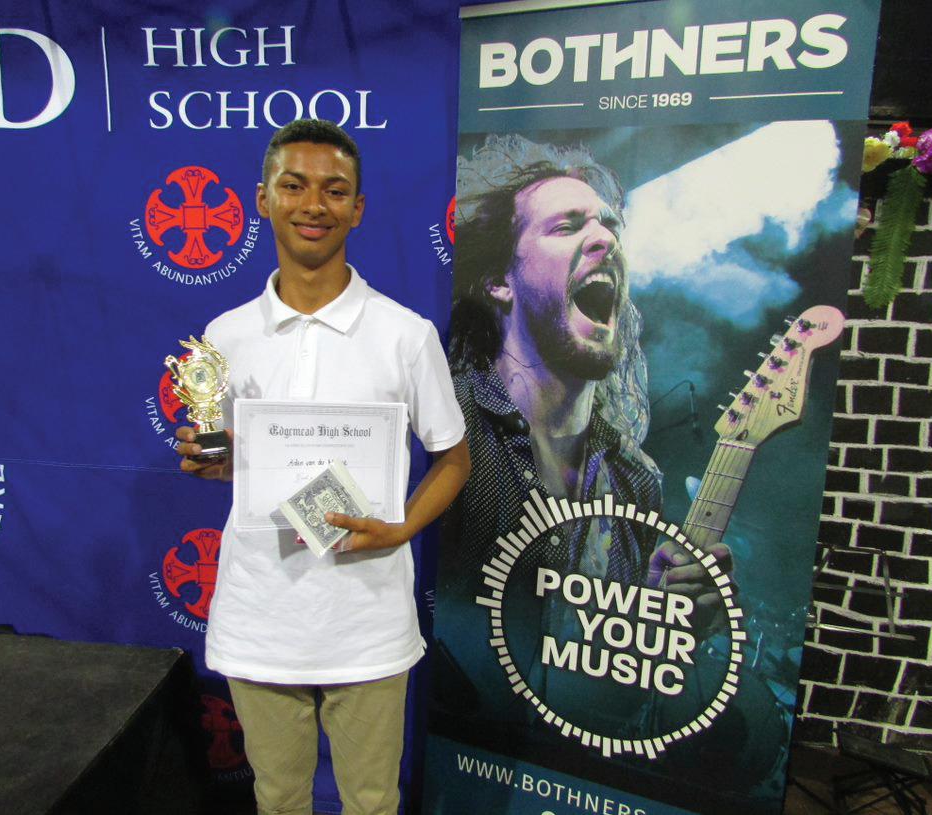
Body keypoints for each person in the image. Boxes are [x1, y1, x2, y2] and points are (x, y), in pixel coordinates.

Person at [176, 119, 470, 815]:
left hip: (366, 622)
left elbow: (454, 459)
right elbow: (234, 460)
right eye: (294, 186)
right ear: (263, 199)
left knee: (370, 801)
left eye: (335, 191)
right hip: (261, 617)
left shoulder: (405, 335)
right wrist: (214, 463)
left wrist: (401, 529)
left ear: (358, 209)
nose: (314, 204)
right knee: (278, 799)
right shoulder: (224, 337)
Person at [433, 135, 731, 736]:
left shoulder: (636, 479)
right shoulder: (446, 424)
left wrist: (667, 617)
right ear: (499, 281)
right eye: (567, 226)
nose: (605, 239)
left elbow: (613, 664)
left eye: (610, 225)